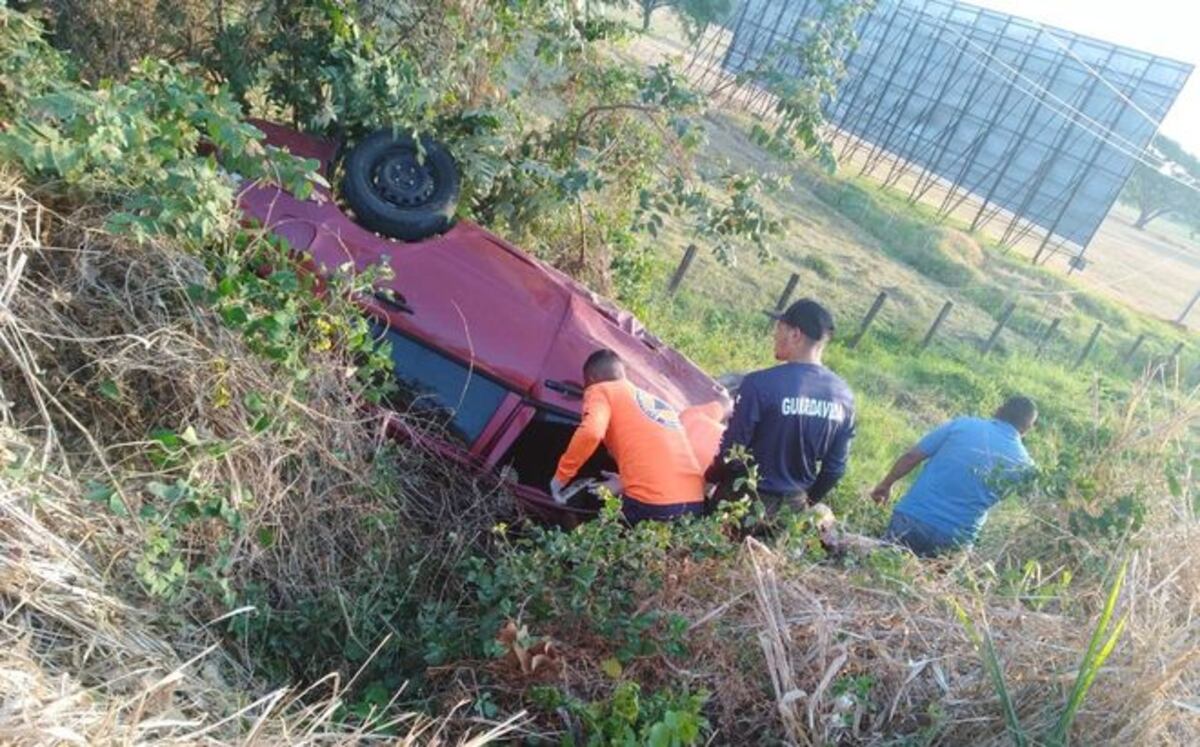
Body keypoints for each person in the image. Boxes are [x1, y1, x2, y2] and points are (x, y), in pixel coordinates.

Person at [707, 299, 856, 516]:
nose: (774, 336)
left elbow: (733, 453)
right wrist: (803, 502)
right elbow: (834, 469)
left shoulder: (759, 384)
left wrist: (709, 479)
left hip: (740, 503)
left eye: (779, 329)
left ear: (795, 334)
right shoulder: (844, 397)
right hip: (791, 510)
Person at [871, 396, 1038, 557]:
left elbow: (912, 456)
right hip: (956, 540)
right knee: (933, 586)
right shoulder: (1025, 465)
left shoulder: (963, 425)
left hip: (913, 519)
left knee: (881, 570)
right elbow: (1032, 506)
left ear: (998, 410)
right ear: (1026, 430)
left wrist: (886, 484)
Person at [551, 349, 705, 522]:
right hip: (694, 503)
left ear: (591, 379)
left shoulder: (601, 390)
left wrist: (561, 478)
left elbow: (592, 432)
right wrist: (625, 481)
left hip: (656, 503)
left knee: (587, 520)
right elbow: (657, 455)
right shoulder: (656, 402)